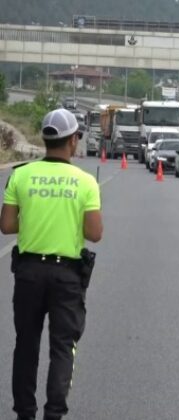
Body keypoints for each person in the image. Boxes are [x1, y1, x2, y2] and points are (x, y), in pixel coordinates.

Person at [0, 109, 103, 420]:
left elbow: (6, 226)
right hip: (66, 276)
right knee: (62, 346)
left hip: (29, 273)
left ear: (45, 140)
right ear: (73, 141)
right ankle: (54, 413)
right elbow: (94, 234)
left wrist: (36, 218)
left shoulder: (20, 175)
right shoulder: (85, 182)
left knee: (26, 345)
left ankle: (24, 413)